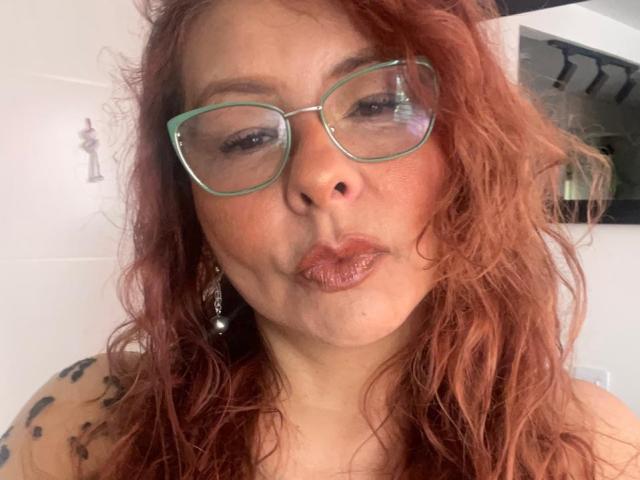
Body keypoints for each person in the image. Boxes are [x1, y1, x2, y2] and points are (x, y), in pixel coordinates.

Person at [2, 0, 640, 478]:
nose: (317, 174)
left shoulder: (598, 450)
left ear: (470, 147)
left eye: (377, 105)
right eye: (246, 138)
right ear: (188, 202)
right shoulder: (81, 430)